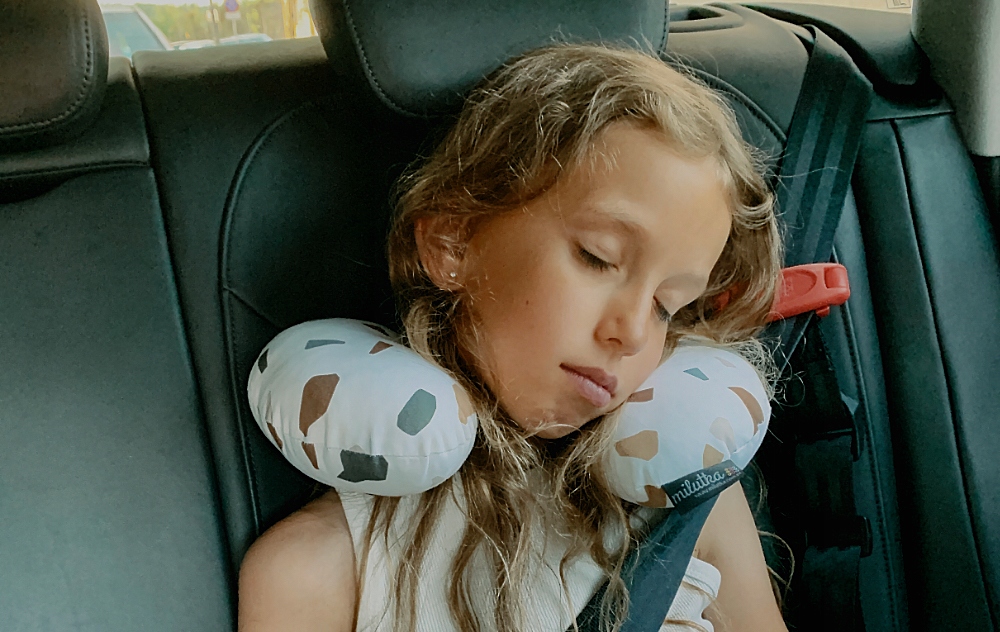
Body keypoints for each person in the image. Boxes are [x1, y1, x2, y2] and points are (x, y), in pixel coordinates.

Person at [238, 43, 787, 632]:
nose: (631, 332)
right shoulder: (320, 573)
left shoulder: (691, 507)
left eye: (665, 307)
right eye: (597, 257)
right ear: (452, 241)